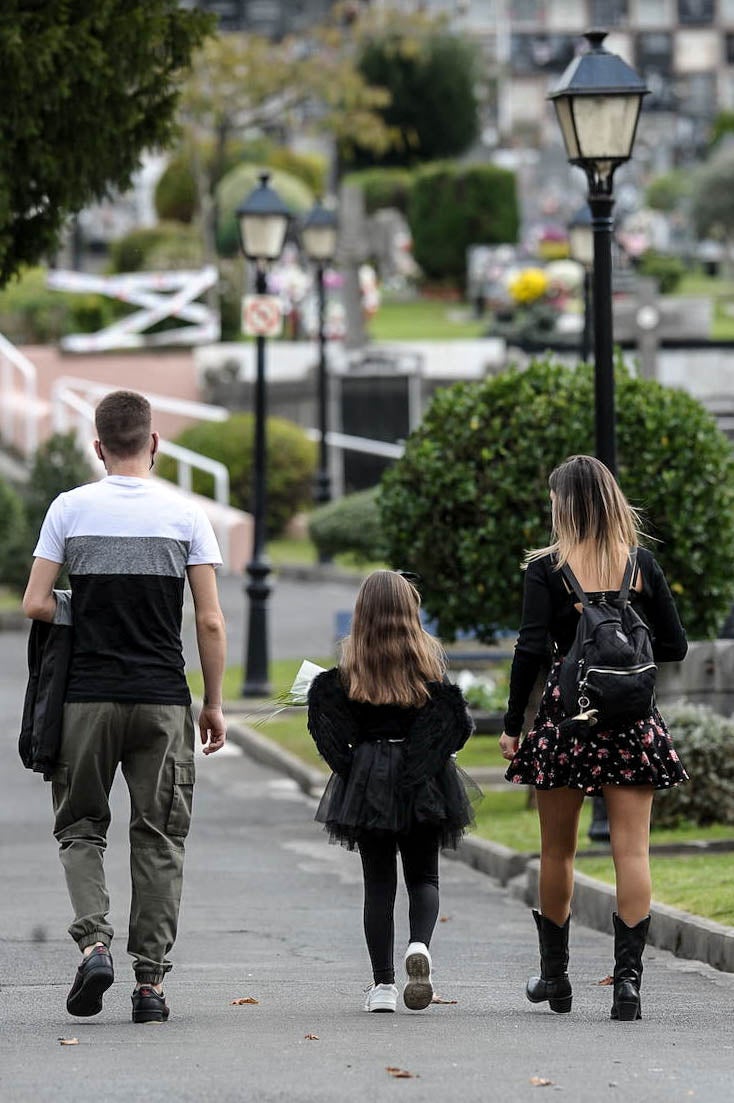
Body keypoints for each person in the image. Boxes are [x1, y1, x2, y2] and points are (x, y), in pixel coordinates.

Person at [22, 390, 227, 1024]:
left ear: (98, 446)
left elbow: (33, 602)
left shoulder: (69, 509)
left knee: (81, 827)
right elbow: (211, 621)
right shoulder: (187, 515)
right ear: (155, 444)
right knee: (160, 835)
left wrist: (86, 608)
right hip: (162, 702)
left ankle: (93, 944)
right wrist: (214, 704)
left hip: (85, 698)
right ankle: (151, 986)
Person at [499, 455, 688, 1022]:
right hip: (633, 721)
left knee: (559, 850)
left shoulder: (547, 568)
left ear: (566, 504)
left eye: (554, 498)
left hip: (568, 722)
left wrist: (513, 726)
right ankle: (627, 985)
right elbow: (675, 647)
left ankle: (555, 979)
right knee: (633, 850)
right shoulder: (641, 564)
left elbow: (530, 651)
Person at [307, 570, 477, 1014]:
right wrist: (425, 761)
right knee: (424, 877)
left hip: (369, 780)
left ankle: (382, 986)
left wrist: (353, 770)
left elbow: (326, 732)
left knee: (378, 884)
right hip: (423, 781)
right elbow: (456, 727)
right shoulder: (428, 664)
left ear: (362, 614)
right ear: (410, 612)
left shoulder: (349, 670)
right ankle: (418, 945)